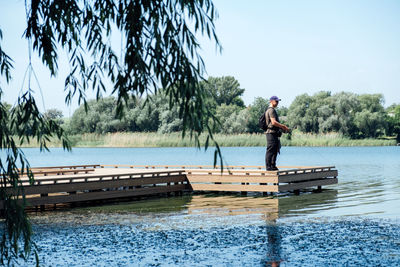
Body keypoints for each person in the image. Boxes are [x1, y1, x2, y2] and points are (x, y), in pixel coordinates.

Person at [265, 96, 290, 171]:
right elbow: (273, 122)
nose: (277, 103)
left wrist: (282, 128)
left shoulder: (270, 110)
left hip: (274, 133)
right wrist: (283, 126)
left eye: (278, 101)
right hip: (271, 133)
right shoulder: (271, 110)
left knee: (275, 149)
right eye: (276, 101)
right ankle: (268, 167)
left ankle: (273, 166)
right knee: (271, 150)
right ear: (271, 101)